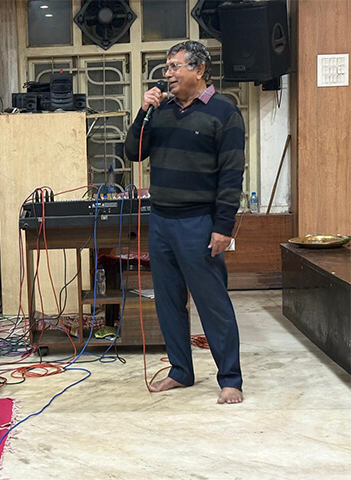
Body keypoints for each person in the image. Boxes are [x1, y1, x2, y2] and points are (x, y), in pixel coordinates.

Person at [124, 41, 245, 404]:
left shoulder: (224, 113)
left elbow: (231, 176)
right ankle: (180, 371)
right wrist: (143, 112)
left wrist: (223, 228)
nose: (168, 74)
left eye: (175, 66)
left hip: (199, 223)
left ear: (199, 69)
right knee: (168, 301)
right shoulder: (160, 111)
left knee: (212, 303)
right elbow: (133, 152)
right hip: (161, 221)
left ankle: (230, 379)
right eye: (167, 67)